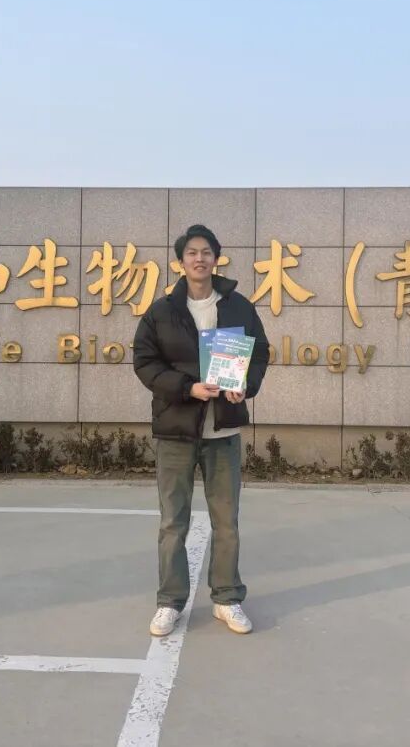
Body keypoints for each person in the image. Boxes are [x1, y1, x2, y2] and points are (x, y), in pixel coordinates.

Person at [133, 224, 270, 636]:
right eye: (191, 252)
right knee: (173, 522)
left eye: (206, 252)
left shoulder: (238, 306)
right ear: (180, 261)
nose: (199, 258)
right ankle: (169, 602)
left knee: (226, 521)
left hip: (222, 431)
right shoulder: (162, 311)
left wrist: (246, 386)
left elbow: (259, 353)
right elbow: (145, 362)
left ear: (216, 258)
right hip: (176, 430)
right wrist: (186, 387)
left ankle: (227, 599)